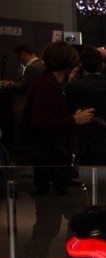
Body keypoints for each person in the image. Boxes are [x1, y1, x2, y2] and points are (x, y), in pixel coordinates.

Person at [23, 42, 94, 195]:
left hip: (50, 158)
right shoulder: (47, 85)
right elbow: (41, 122)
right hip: (49, 159)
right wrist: (74, 119)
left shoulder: (48, 82)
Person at [65, 45, 106, 202]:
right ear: (103, 64)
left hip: (88, 147)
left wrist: (70, 78)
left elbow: (69, 111)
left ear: (81, 65)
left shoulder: (75, 87)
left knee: (92, 193)